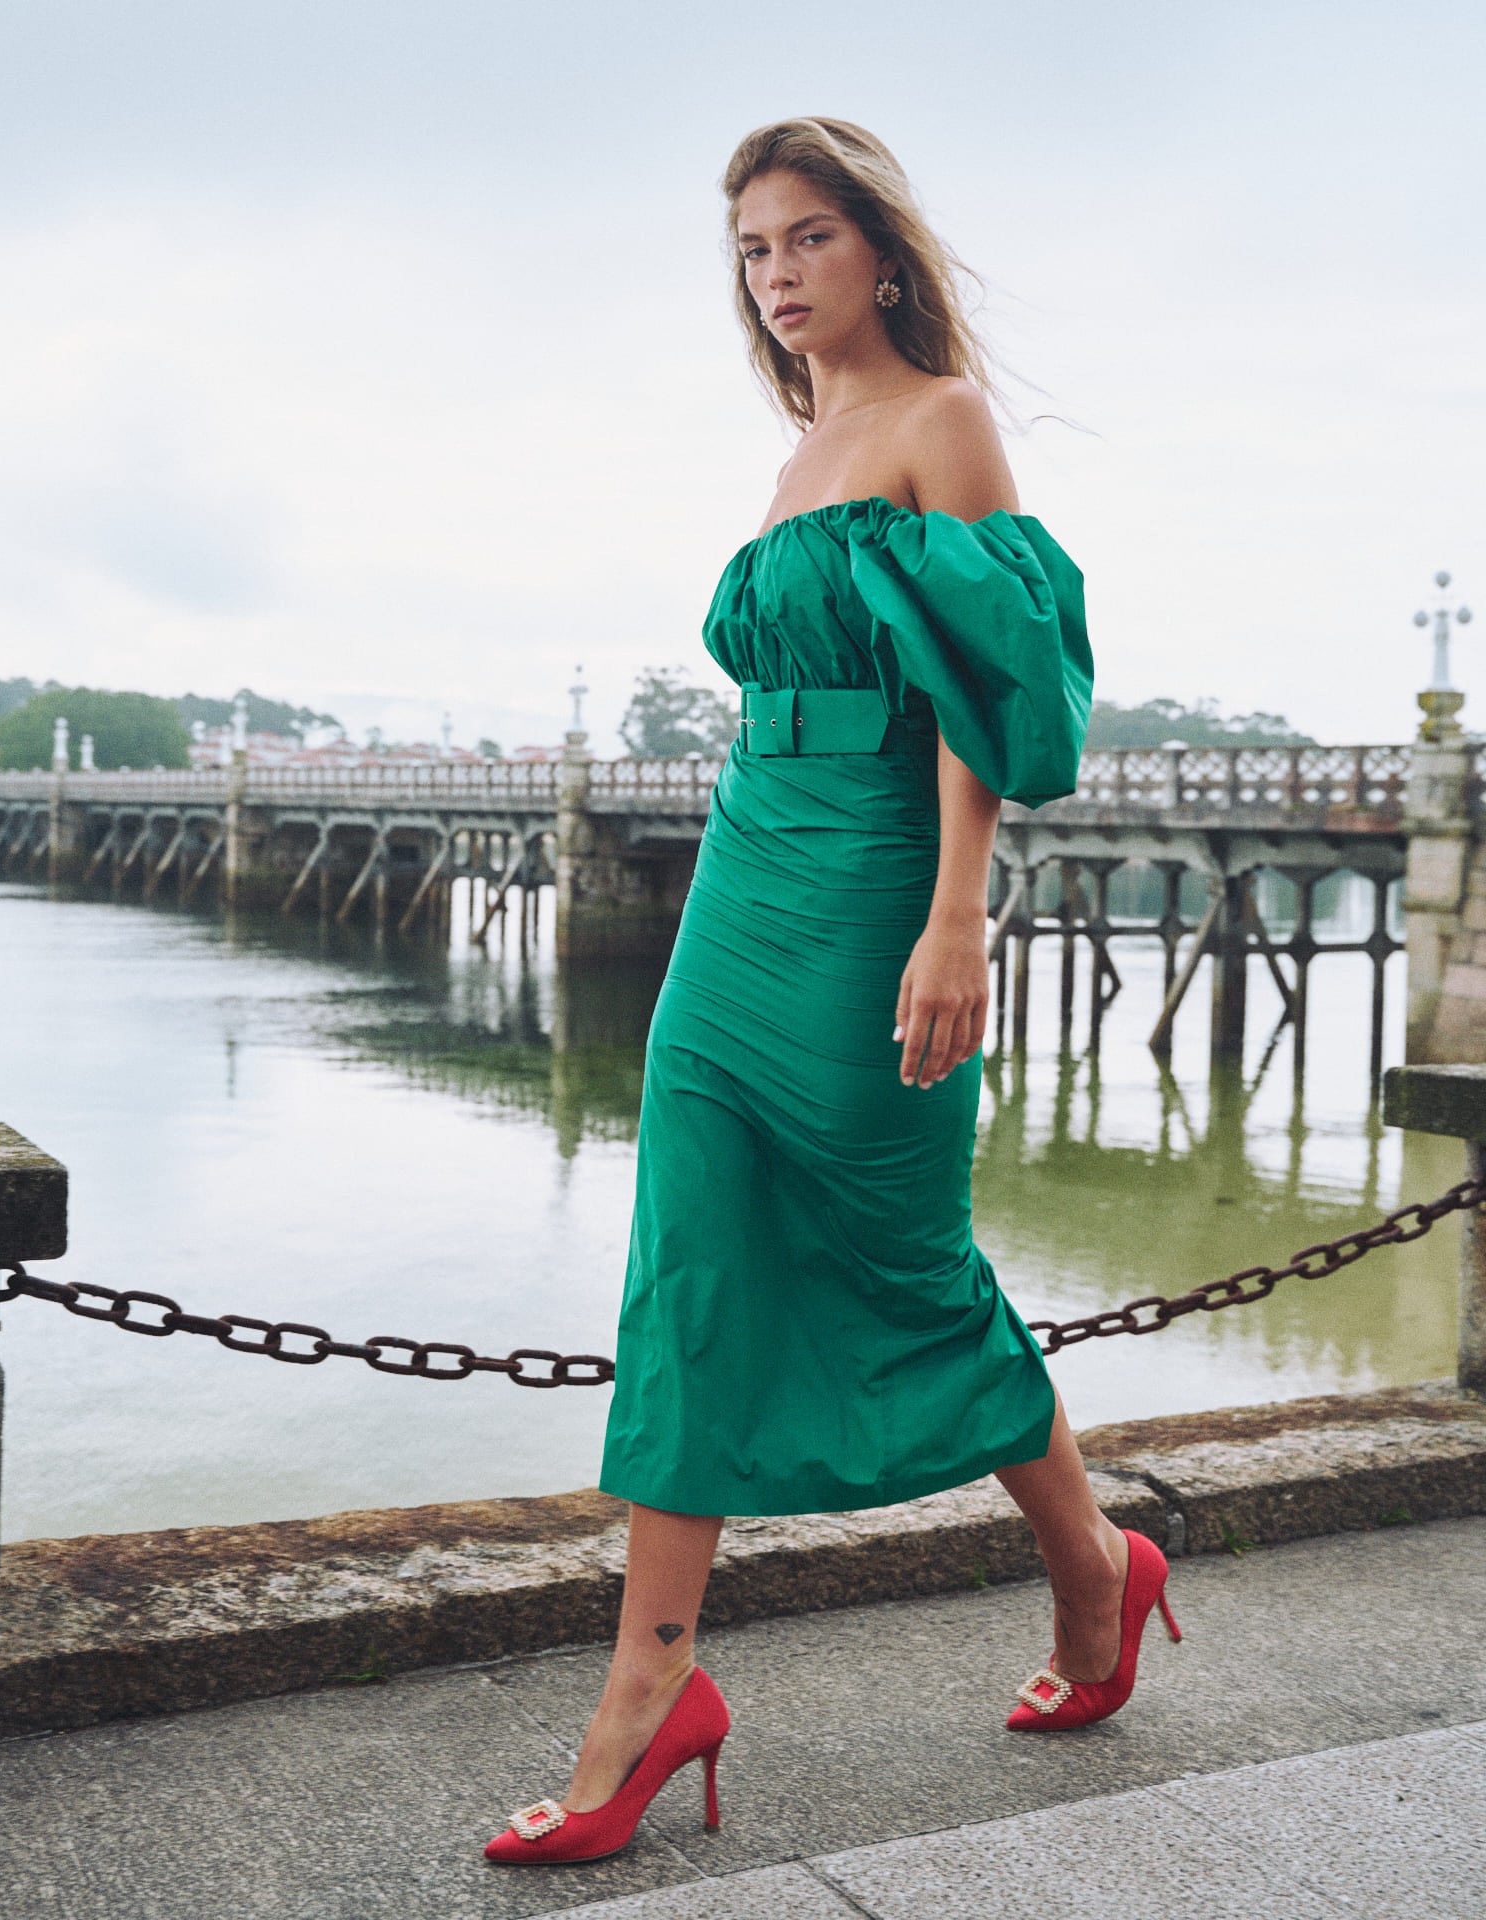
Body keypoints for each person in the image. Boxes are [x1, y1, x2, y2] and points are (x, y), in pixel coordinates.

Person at [485, 115, 1180, 1870]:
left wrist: (959, 915)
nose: (777, 274)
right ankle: (651, 1687)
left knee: (901, 1255)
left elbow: (987, 693)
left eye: (805, 237)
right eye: (751, 249)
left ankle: (1094, 1563)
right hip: (741, 876)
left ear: (880, 247)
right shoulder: (800, 447)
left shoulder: (944, 421)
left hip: (881, 880)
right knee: (692, 1254)